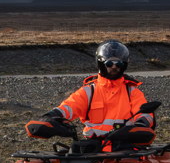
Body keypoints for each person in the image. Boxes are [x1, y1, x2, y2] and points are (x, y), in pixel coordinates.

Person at [25, 40, 155, 148]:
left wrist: (141, 124)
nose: (114, 67)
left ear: (124, 65)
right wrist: (51, 117)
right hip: (92, 149)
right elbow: (70, 106)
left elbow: (145, 113)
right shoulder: (89, 91)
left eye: (119, 63)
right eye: (109, 63)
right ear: (101, 63)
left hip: (125, 148)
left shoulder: (132, 92)